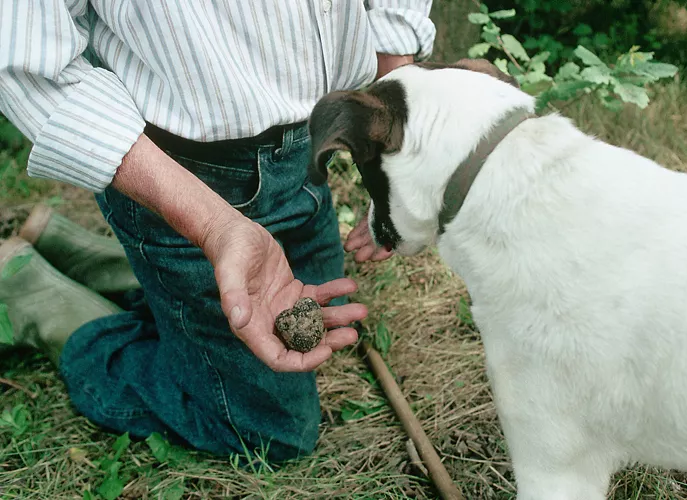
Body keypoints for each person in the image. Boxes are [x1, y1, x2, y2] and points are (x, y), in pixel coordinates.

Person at [0, 1, 433, 462]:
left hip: (309, 150)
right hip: (179, 175)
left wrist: (392, 141)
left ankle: (117, 268)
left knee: (323, 307)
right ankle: (39, 297)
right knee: (270, 432)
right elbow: (24, 67)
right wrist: (214, 225)